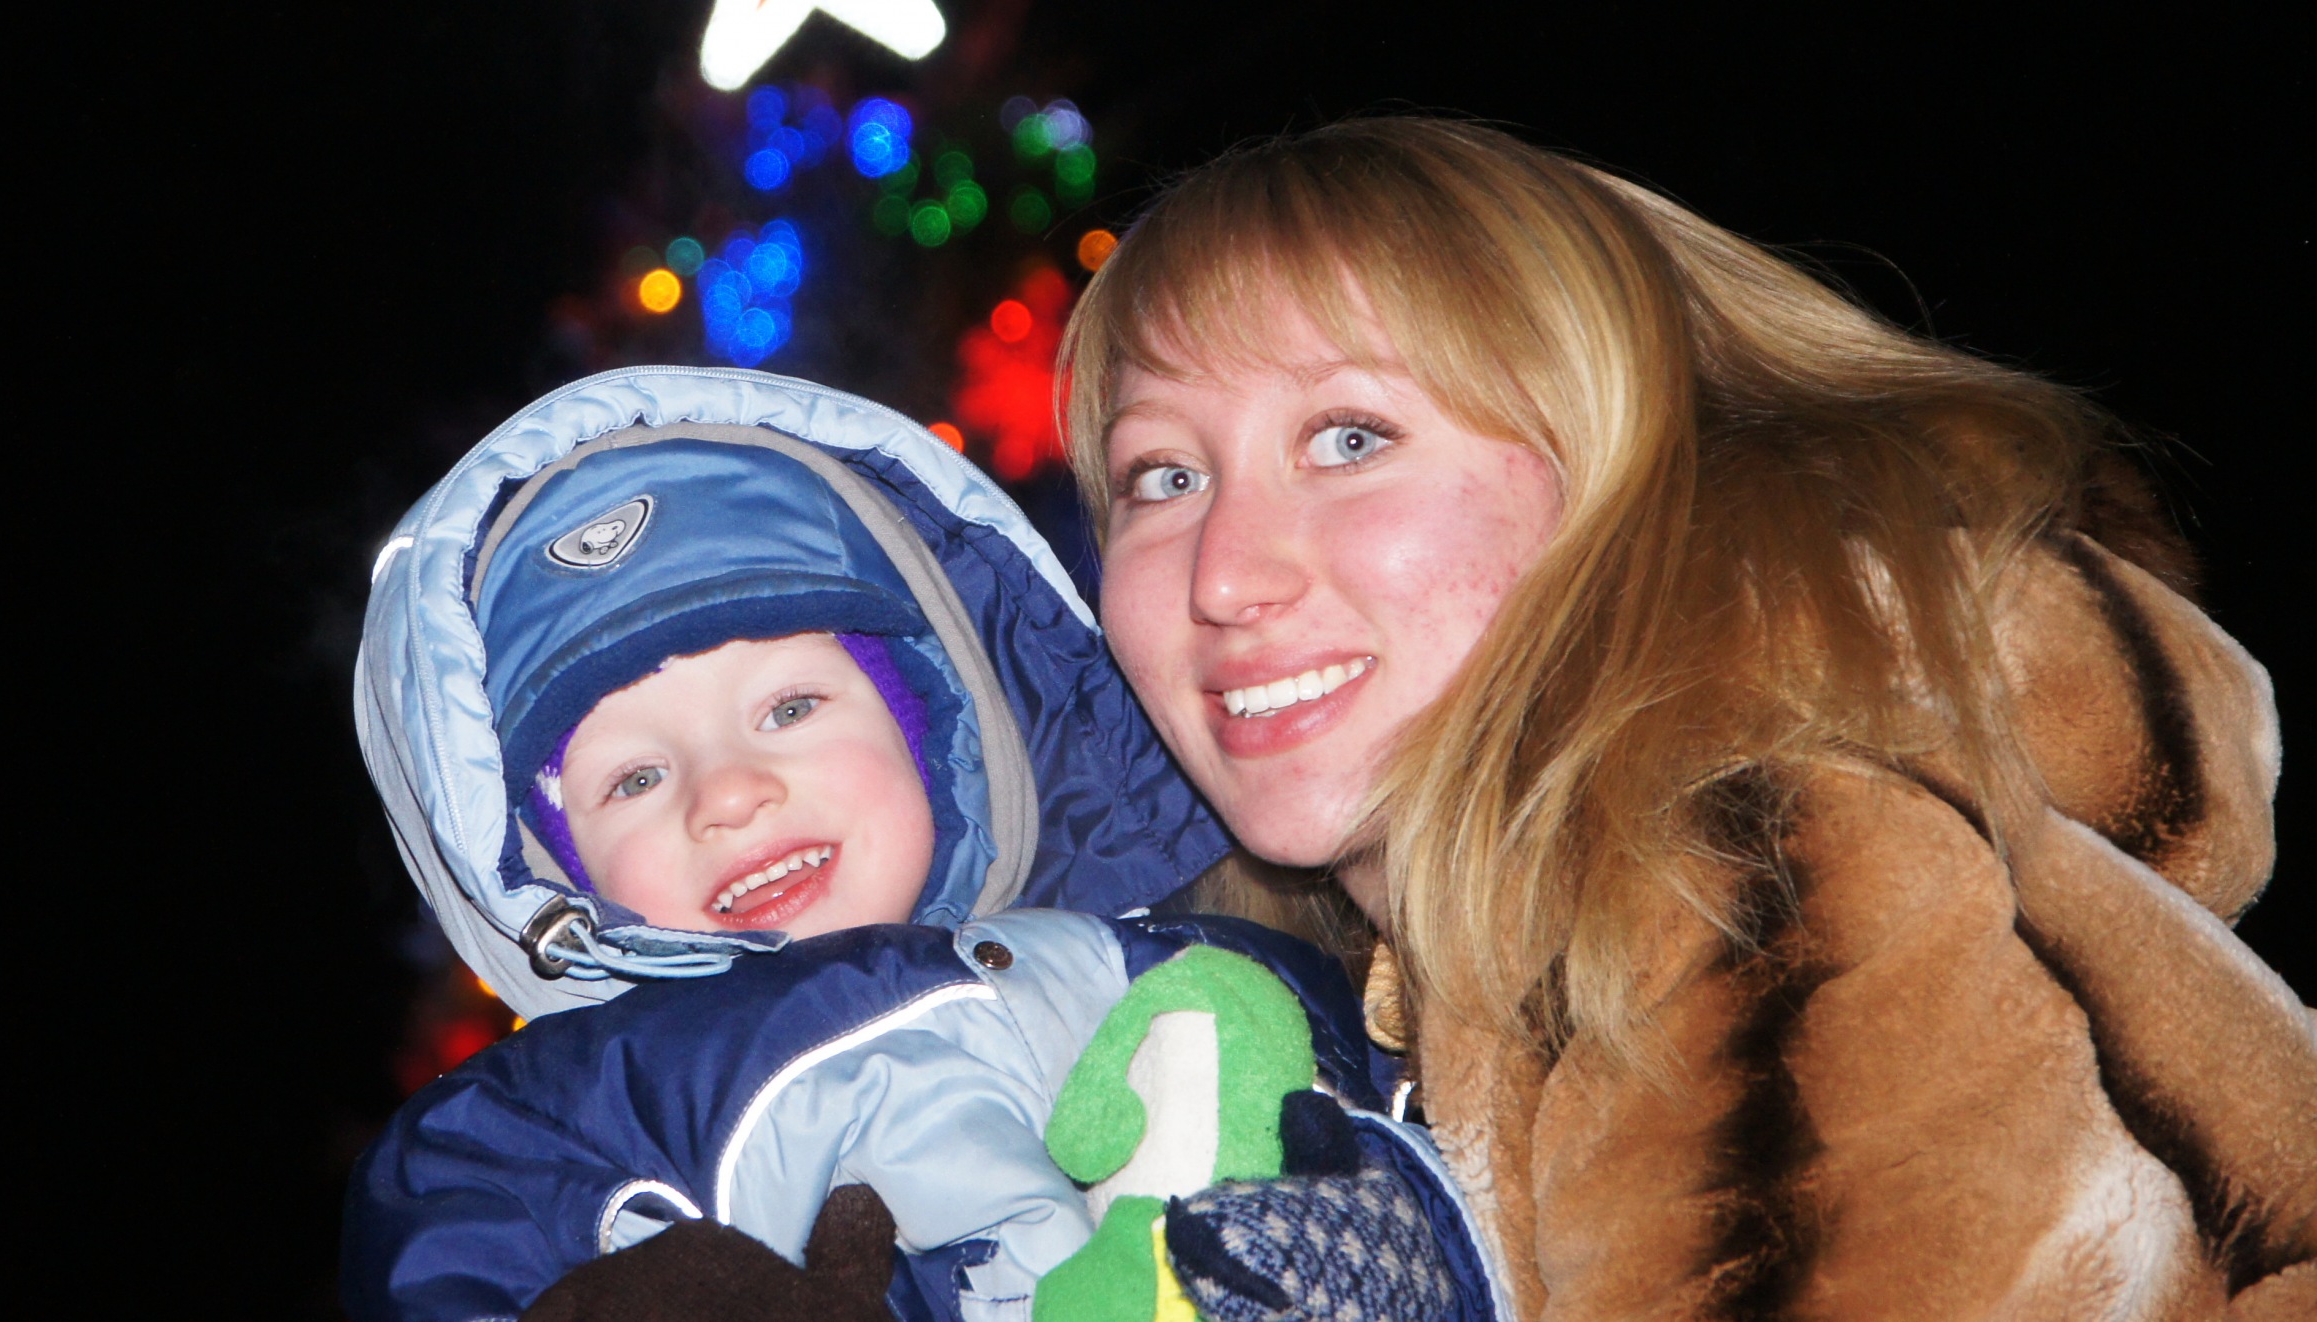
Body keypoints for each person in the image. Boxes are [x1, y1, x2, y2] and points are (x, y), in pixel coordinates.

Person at [1063, 117, 2315, 1320]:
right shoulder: (1360, 996)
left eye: (1349, 437)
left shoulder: (1750, 865)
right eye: (1164, 475)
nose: (1223, 574)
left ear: (1613, 473)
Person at [342, 368, 1495, 1322]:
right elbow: (443, 1266)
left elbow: (1409, 1149)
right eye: (634, 777)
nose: (729, 793)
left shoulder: (1155, 959)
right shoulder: (553, 1110)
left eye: (791, 707)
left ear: (941, 732)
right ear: (555, 875)